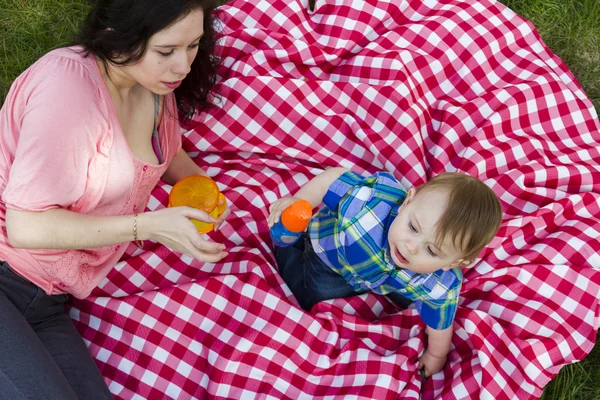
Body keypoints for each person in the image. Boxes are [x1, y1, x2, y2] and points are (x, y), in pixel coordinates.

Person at [0, 0, 229, 398]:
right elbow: (26, 226)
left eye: (193, 45)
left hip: (51, 299)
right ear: (120, 35)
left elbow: (167, 154)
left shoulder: (154, 86)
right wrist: (148, 226)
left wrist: (203, 192)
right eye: (166, 51)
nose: (184, 66)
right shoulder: (67, 91)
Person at [268, 168, 503, 378]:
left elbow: (440, 322)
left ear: (454, 263)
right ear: (407, 202)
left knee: (408, 297)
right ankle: (288, 248)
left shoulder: (438, 282)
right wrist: (300, 200)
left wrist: (436, 356)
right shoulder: (369, 204)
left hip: (376, 278)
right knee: (314, 295)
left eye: (432, 250)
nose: (411, 246)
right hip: (329, 254)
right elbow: (332, 179)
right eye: (413, 227)